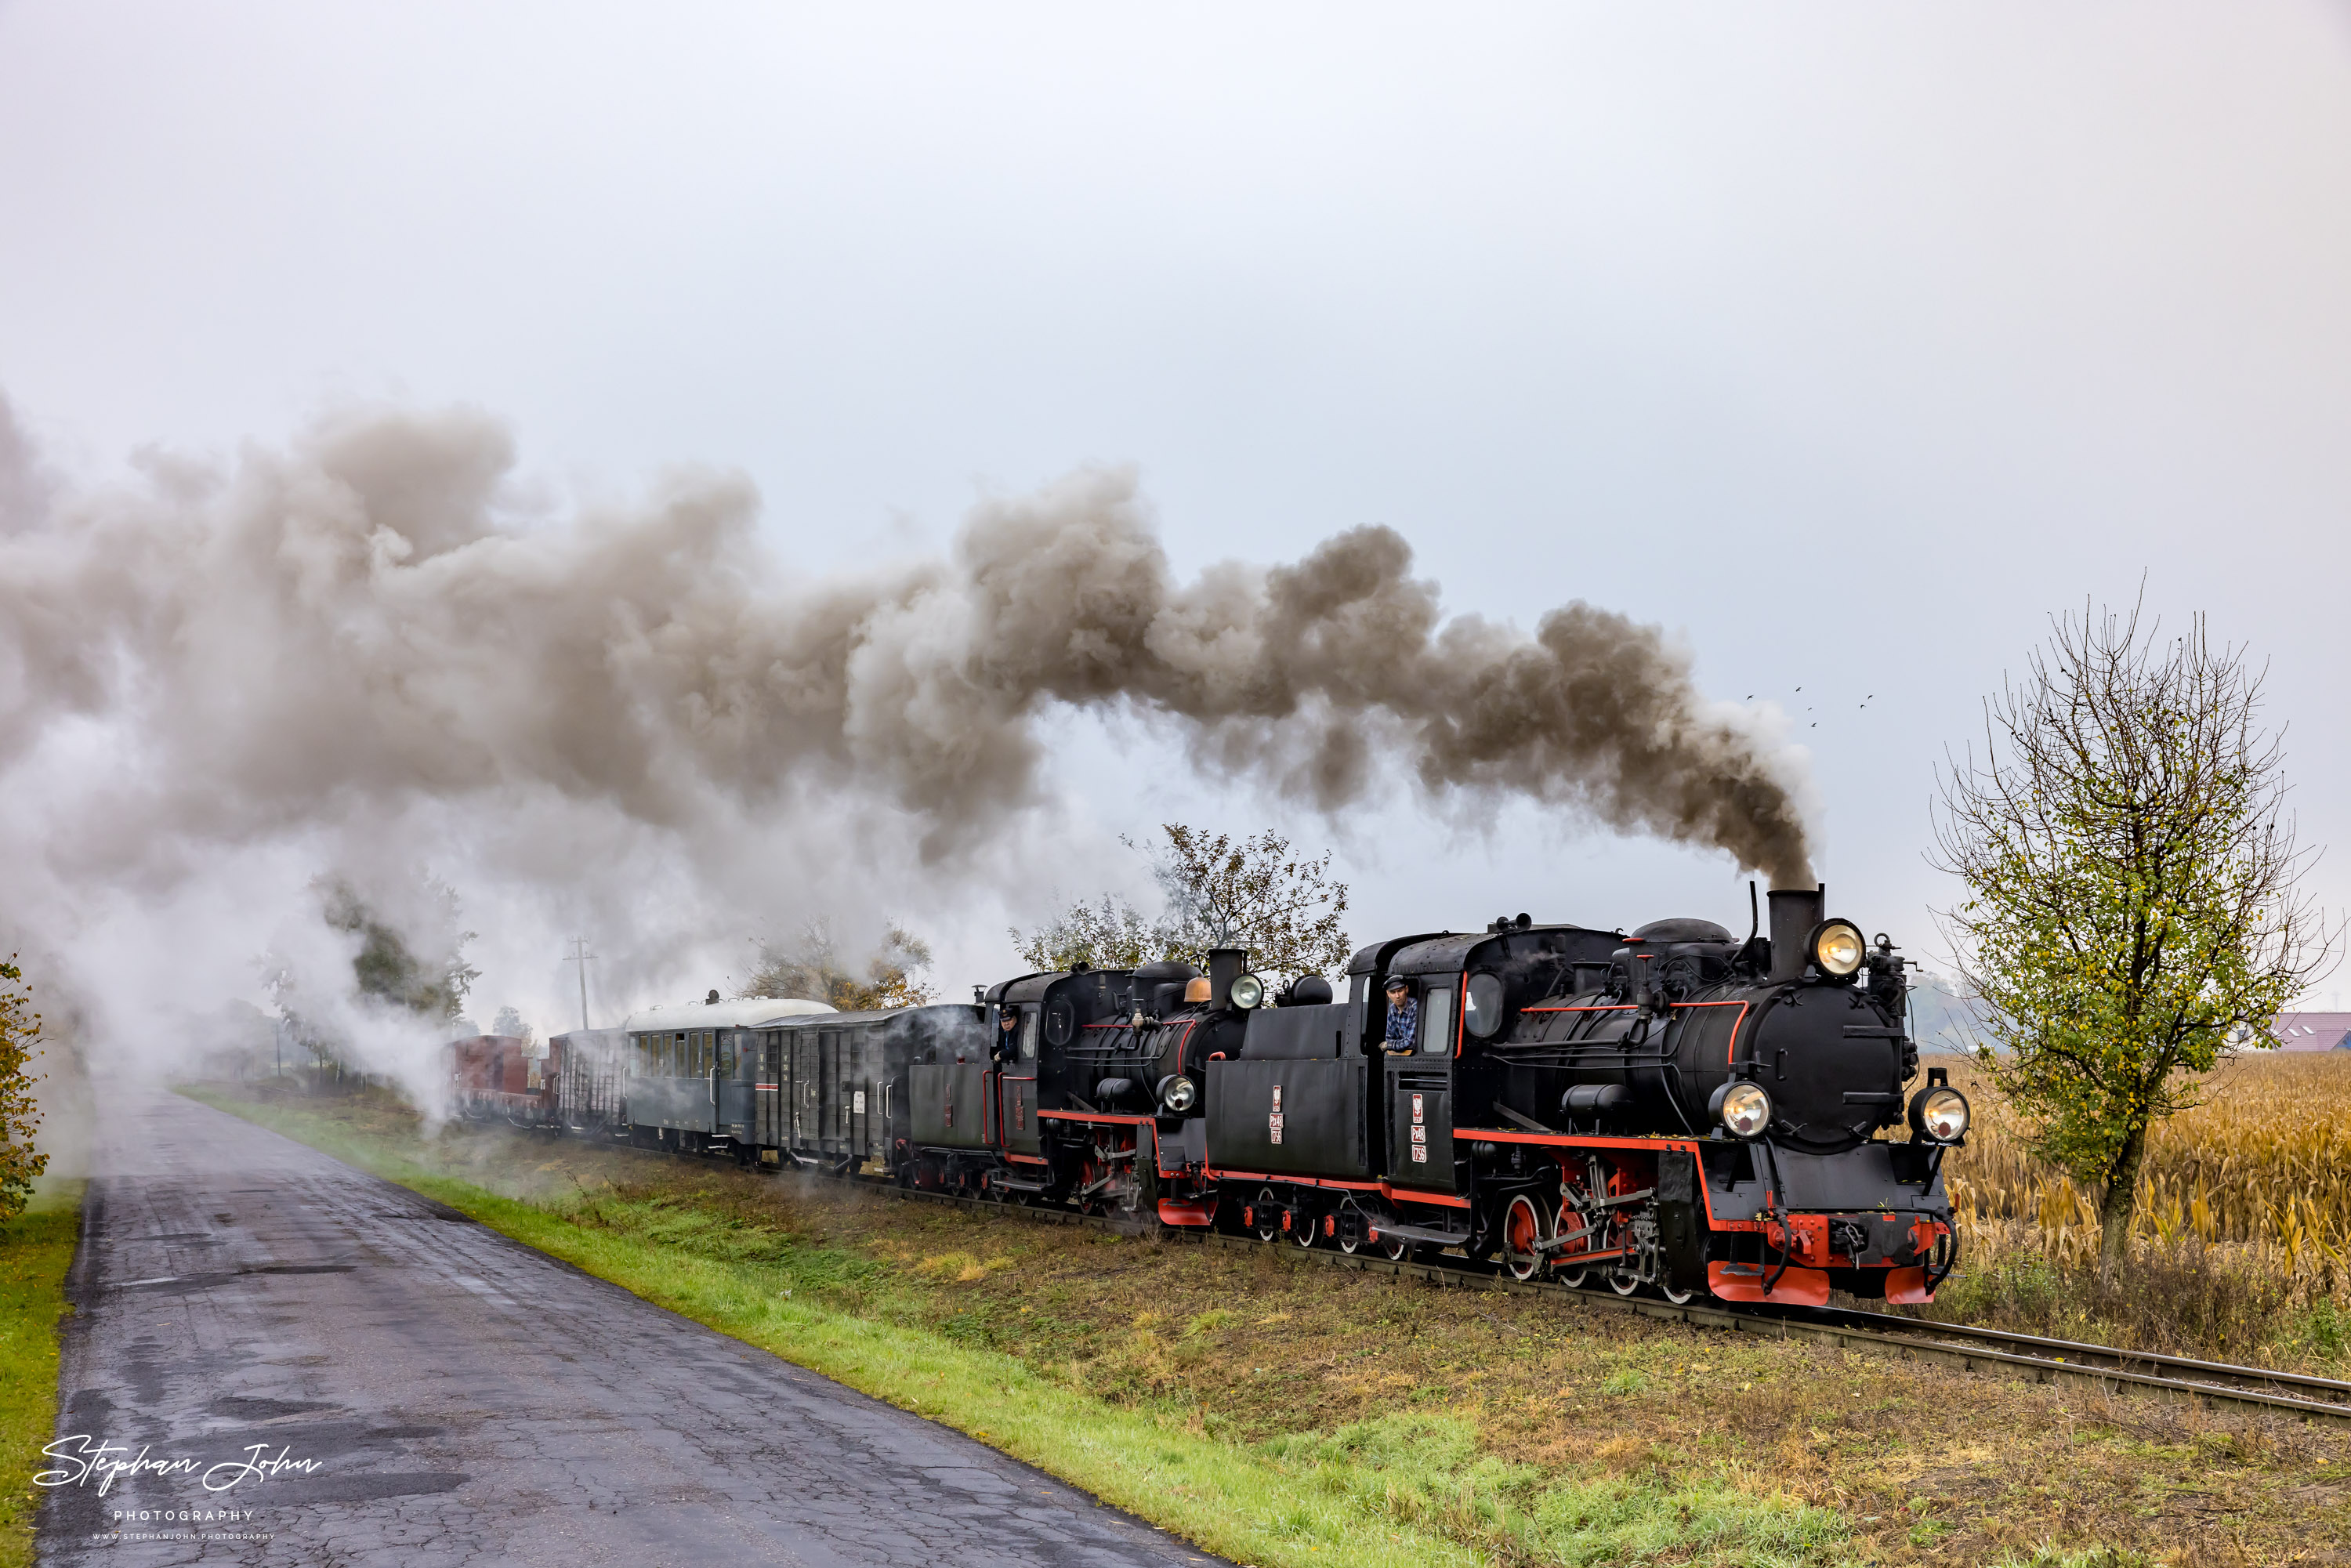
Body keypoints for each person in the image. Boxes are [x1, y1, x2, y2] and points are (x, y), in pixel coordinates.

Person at [1382, 977, 1419, 1054]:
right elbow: (1389, 1038)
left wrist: (1389, 1045)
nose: (1397, 996)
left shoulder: (1415, 1007)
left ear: (1406, 989)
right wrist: (1394, 1044)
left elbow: (1411, 1042)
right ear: (1388, 994)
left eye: (1400, 991)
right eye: (1393, 992)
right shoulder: (1392, 1009)